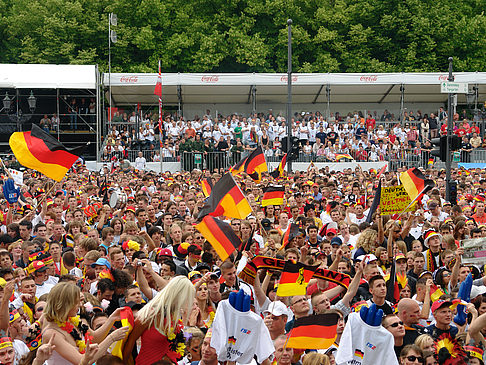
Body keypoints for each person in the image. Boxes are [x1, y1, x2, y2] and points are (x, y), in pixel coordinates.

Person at [42, 282, 129, 364]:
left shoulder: (74, 320)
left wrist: (111, 319)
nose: (80, 305)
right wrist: (111, 338)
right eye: (76, 302)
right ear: (65, 304)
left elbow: (95, 338)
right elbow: (82, 361)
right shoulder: (51, 333)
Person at [123, 276, 195, 364]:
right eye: (187, 296)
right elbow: (131, 340)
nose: (188, 300)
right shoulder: (150, 313)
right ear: (178, 295)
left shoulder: (174, 315)